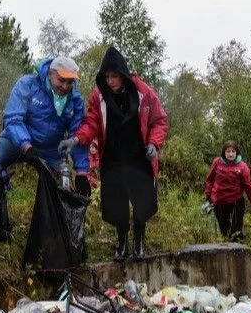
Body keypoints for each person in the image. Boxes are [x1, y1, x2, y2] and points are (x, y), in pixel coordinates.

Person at [58, 46, 169, 262]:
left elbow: (159, 121)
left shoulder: (144, 92)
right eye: (107, 76)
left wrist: (154, 144)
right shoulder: (99, 96)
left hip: (140, 157)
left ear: (123, 75)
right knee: (117, 204)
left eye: (114, 76)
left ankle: (139, 240)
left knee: (142, 203)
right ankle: (121, 242)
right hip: (113, 158)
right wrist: (76, 139)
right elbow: (91, 122)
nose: (110, 81)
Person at [0, 56, 90, 212]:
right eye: (61, 80)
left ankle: (54, 231)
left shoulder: (75, 100)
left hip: (51, 149)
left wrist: (82, 171)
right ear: (50, 74)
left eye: (70, 82)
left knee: (61, 186)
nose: (65, 86)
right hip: (16, 141)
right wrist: (26, 145)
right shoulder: (27, 85)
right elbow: (13, 118)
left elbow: (77, 134)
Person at [204, 140, 251, 241]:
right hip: (219, 201)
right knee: (224, 230)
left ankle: (238, 250)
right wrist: (208, 195)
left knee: (235, 231)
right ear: (224, 153)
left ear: (237, 152)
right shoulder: (217, 162)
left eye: (233, 151)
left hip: (236, 202)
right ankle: (225, 248)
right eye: (228, 151)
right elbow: (210, 179)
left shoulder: (242, 167)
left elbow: (248, 186)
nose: (230, 154)